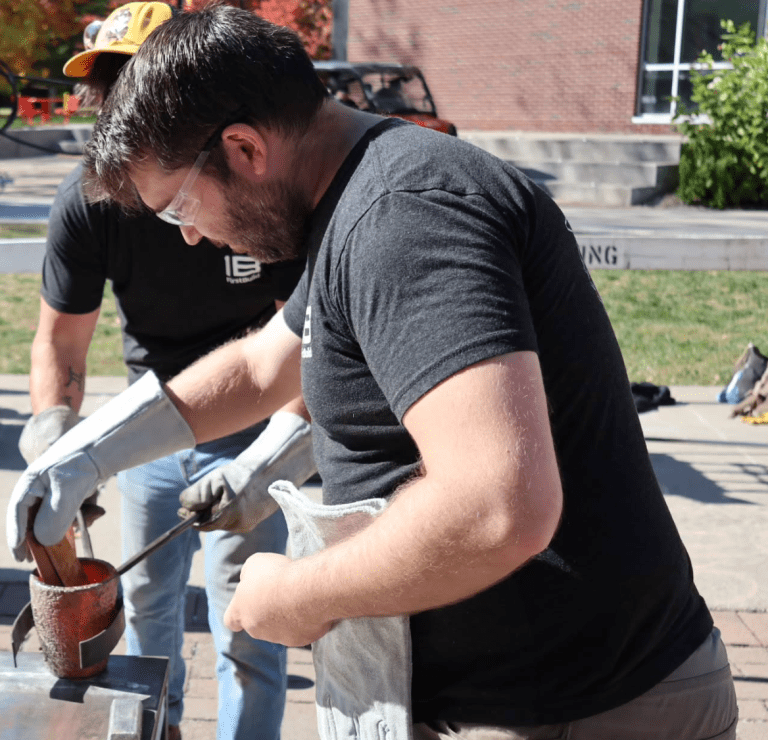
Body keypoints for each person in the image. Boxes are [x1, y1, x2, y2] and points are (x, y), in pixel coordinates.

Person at [9, 4, 738, 740]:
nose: (191, 235)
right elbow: (265, 366)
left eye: (180, 208)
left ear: (244, 149)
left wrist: (299, 594)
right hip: (506, 698)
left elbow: (497, 506)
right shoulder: (352, 200)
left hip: (573, 708)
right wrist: (89, 451)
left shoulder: (402, 215)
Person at [15, 4, 315, 740]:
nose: (116, 103)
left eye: (133, 81)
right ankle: (156, 729)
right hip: (148, 428)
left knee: (247, 621)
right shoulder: (90, 206)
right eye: (108, 85)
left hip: (252, 419)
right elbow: (60, 346)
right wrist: (59, 437)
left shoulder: (255, 190)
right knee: (145, 604)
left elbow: (296, 352)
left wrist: (267, 456)